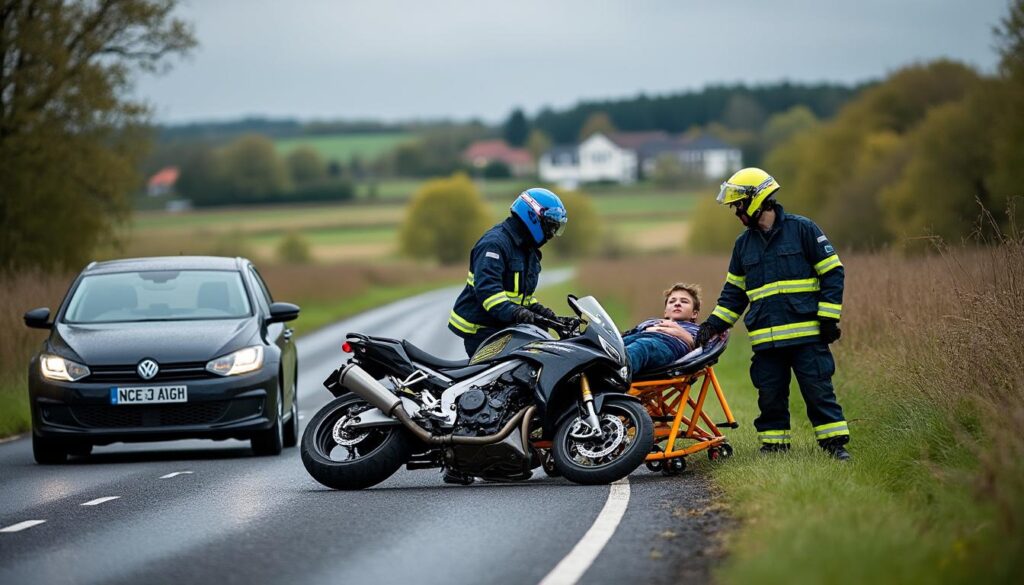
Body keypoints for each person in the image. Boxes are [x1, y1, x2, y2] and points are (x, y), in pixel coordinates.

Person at [695, 167, 851, 461]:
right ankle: (774, 448)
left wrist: (829, 318)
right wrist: (713, 325)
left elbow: (833, 272)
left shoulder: (803, 229)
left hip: (808, 337)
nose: (735, 212)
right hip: (767, 341)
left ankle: (835, 447)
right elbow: (734, 294)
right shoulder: (742, 246)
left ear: (756, 199)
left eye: (737, 204)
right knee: (770, 397)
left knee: (818, 393)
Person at [448, 187, 567, 357]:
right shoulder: (494, 244)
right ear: (533, 216)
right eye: (551, 226)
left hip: (505, 327)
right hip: (483, 330)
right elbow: (488, 291)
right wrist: (517, 312)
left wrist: (546, 315)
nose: (552, 234)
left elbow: (520, 296)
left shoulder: (527, 248)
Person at [622, 283, 702, 374]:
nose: (677, 304)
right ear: (665, 312)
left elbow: (698, 345)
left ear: (694, 314)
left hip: (667, 345)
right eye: (672, 301)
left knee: (642, 346)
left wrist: (669, 329)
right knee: (615, 346)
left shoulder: (695, 328)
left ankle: (618, 374)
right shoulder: (652, 321)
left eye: (684, 301)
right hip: (636, 337)